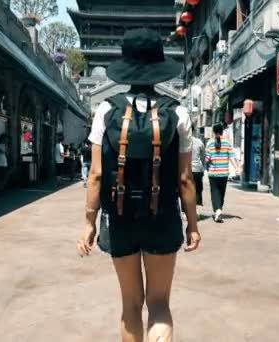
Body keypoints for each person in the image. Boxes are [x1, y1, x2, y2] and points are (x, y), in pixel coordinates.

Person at [77, 28, 201, 342]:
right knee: (159, 305)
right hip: (163, 218)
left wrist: (90, 223)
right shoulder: (179, 113)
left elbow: (95, 174)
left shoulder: (106, 110)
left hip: (119, 220)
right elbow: (185, 178)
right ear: (158, 68)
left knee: (130, 305)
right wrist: (193, 225)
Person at [205, 123, 238, 223]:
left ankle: (217, 210)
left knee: (215, 193)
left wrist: (208, 163)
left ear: (214, 132)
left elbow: (207, 159)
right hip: (224, 173)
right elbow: (232, 157)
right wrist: (237, 168)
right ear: (222, 131)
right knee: (221, 193)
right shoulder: (227, 143)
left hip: (213, 173)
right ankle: (219, 210)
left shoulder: (210, 143)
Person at [190, 126, 205, 211]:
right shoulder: (199, 142)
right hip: (198, 169)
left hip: (186, 169)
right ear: (194, 130)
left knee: (186, 190)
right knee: (198, 189)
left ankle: (186, 211)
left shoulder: (183, 141)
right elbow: (203, 157)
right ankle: (197, 210)